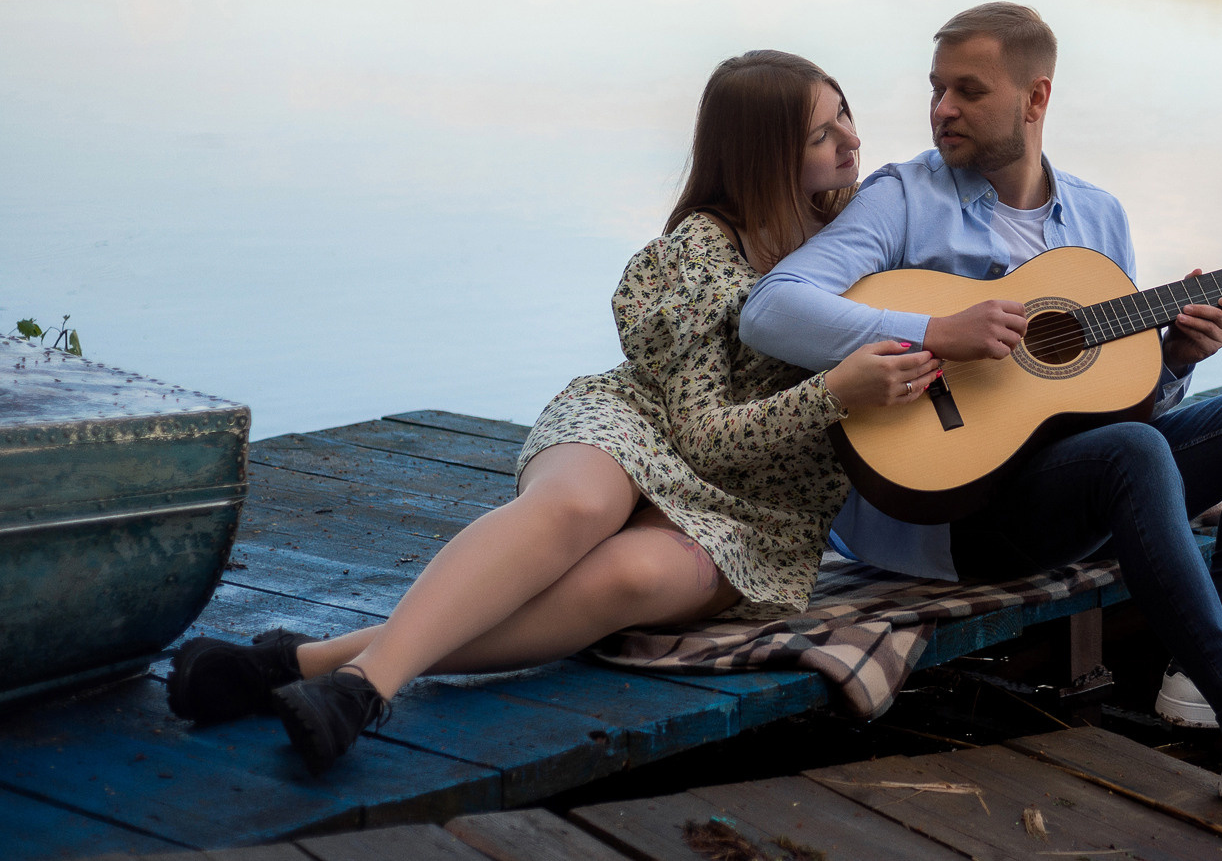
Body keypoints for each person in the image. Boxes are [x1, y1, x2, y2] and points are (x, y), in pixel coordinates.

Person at [164, 51, 940, 773]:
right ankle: (365, 692)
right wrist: (834, 391)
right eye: (821, 132)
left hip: (757, 509)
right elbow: (702, 435)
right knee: (576, 505)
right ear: (762, 154)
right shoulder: (701, 251)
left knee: (627, 578)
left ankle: (301, 666)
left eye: (845, 115)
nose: (852, 139)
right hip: (642, 423)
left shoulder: (861, 226)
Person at [739, 4, 1222, 850]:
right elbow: (770, 308)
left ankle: (1214, 657)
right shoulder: (903, 196)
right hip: (946, 510)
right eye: (936, 89)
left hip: (1068, 483)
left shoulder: (1097, 221)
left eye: (968, 90)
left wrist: (1176, 360)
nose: (940, 110)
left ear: (1035, 98)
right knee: (1134, 452)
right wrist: (936, 331)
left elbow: (1106, 399)